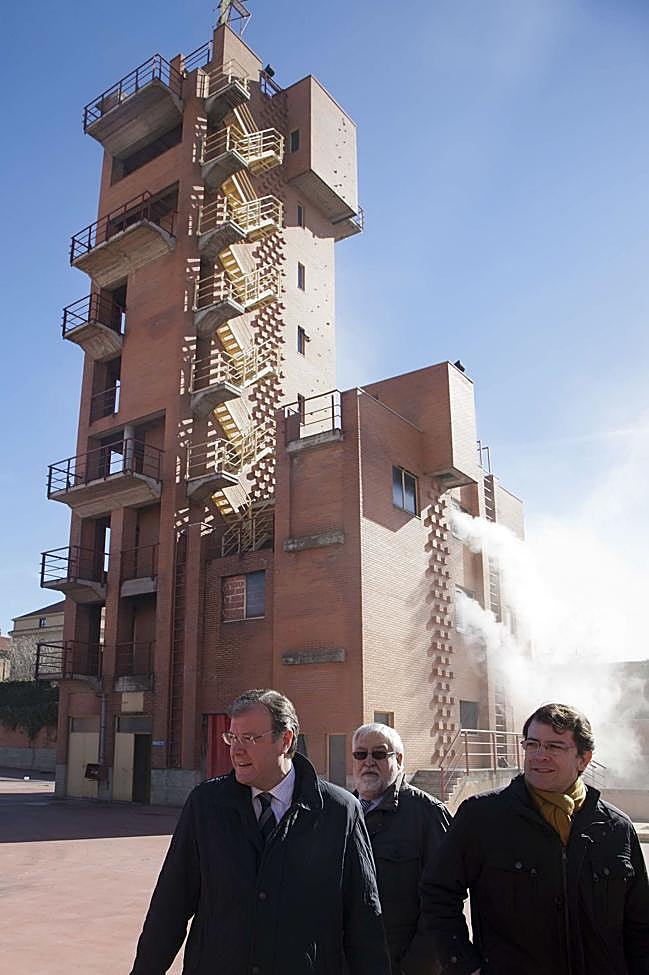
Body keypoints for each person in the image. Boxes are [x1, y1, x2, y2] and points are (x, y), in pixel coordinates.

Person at [130, 689, 391, 975]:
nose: (236, 750)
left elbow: (364, 919)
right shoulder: (206, 805)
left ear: (286, 740)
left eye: (250, 739)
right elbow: (171, 904)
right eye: (233, 738)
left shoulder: (340, 812)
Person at [421, 702, 649, 975]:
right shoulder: (482, 817)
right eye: (532, 745)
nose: (539, 755)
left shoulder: (615, 829)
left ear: (584, 758)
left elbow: (639, 924)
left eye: (554, 747)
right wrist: (465, 965)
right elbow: (438, 893)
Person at [352, 722, 451, 974]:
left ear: (398, 759)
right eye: (360, 754)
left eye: (379, 754)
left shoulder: (427, 814)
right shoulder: (340, 812)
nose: (368, 762)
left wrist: (415, 968)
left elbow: (442, 900)